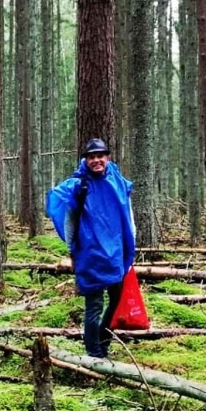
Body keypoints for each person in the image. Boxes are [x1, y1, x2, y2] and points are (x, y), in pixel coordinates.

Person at [45, 138, 137, 358]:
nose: (96, 160)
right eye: (91, 157)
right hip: (91, 253)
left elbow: (128, 213)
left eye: (100, 156)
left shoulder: (118, 181)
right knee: (94, 305)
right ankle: (93, 352)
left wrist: (131, 242)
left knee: (116, 299)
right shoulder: (78, 186)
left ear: (107, 157)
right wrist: (71, 250)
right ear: (85, 160)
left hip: (116, 252)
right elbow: (70, 221)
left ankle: (103, 341)